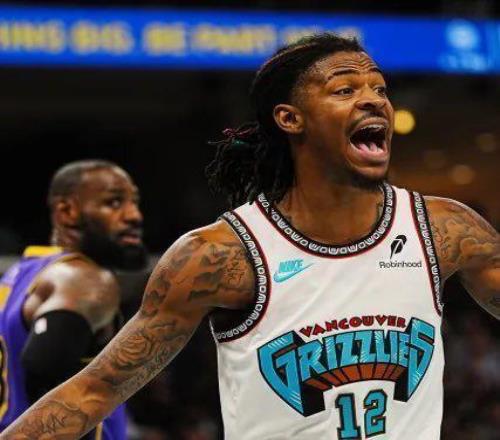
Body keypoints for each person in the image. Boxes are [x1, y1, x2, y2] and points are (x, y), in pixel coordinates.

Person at [2, 34, 499, 440]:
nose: (373, 99)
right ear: (290, 118)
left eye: (380, 89)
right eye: (345, 90)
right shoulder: (219, 255)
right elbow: (93, 391)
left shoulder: (444, 229)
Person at [0, 160, 145, 439]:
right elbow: (44, 369)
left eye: (134, 202)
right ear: (67, 212)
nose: (134, 215)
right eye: (114, 202)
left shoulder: (18, 276)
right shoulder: (84, 278)